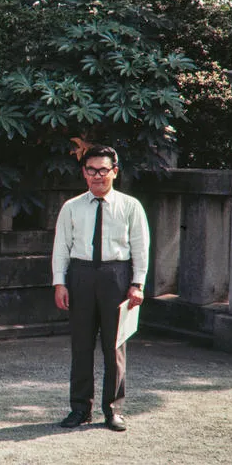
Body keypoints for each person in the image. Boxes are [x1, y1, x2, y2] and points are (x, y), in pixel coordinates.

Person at [52, 144, 150, 432]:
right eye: (92, 170)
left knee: (114, 346)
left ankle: (113, 410)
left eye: (103, 170)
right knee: (81, 345)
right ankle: (80, 409)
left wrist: (137, 284)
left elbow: (140, 247)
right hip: (81, 275)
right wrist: (60, 282)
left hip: (116, 276)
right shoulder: (71, 207)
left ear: (114, 172)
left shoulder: (130, 206)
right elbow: (61, 247)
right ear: (84, 173)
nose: (97, 176)